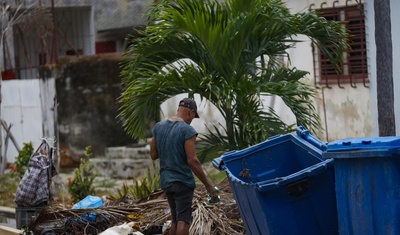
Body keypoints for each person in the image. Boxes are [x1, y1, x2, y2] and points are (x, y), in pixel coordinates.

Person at [150, 98, 219, 235]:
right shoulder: (187, 131)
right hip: (182, 181)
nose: (193, 119)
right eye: (194, 116)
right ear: (190, 112)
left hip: (166, 181)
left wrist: (168, 147)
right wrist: (208, 185)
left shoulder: (159, 127)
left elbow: (153, 155)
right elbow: (192, 160)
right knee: (183, 220)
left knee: (175, 219)